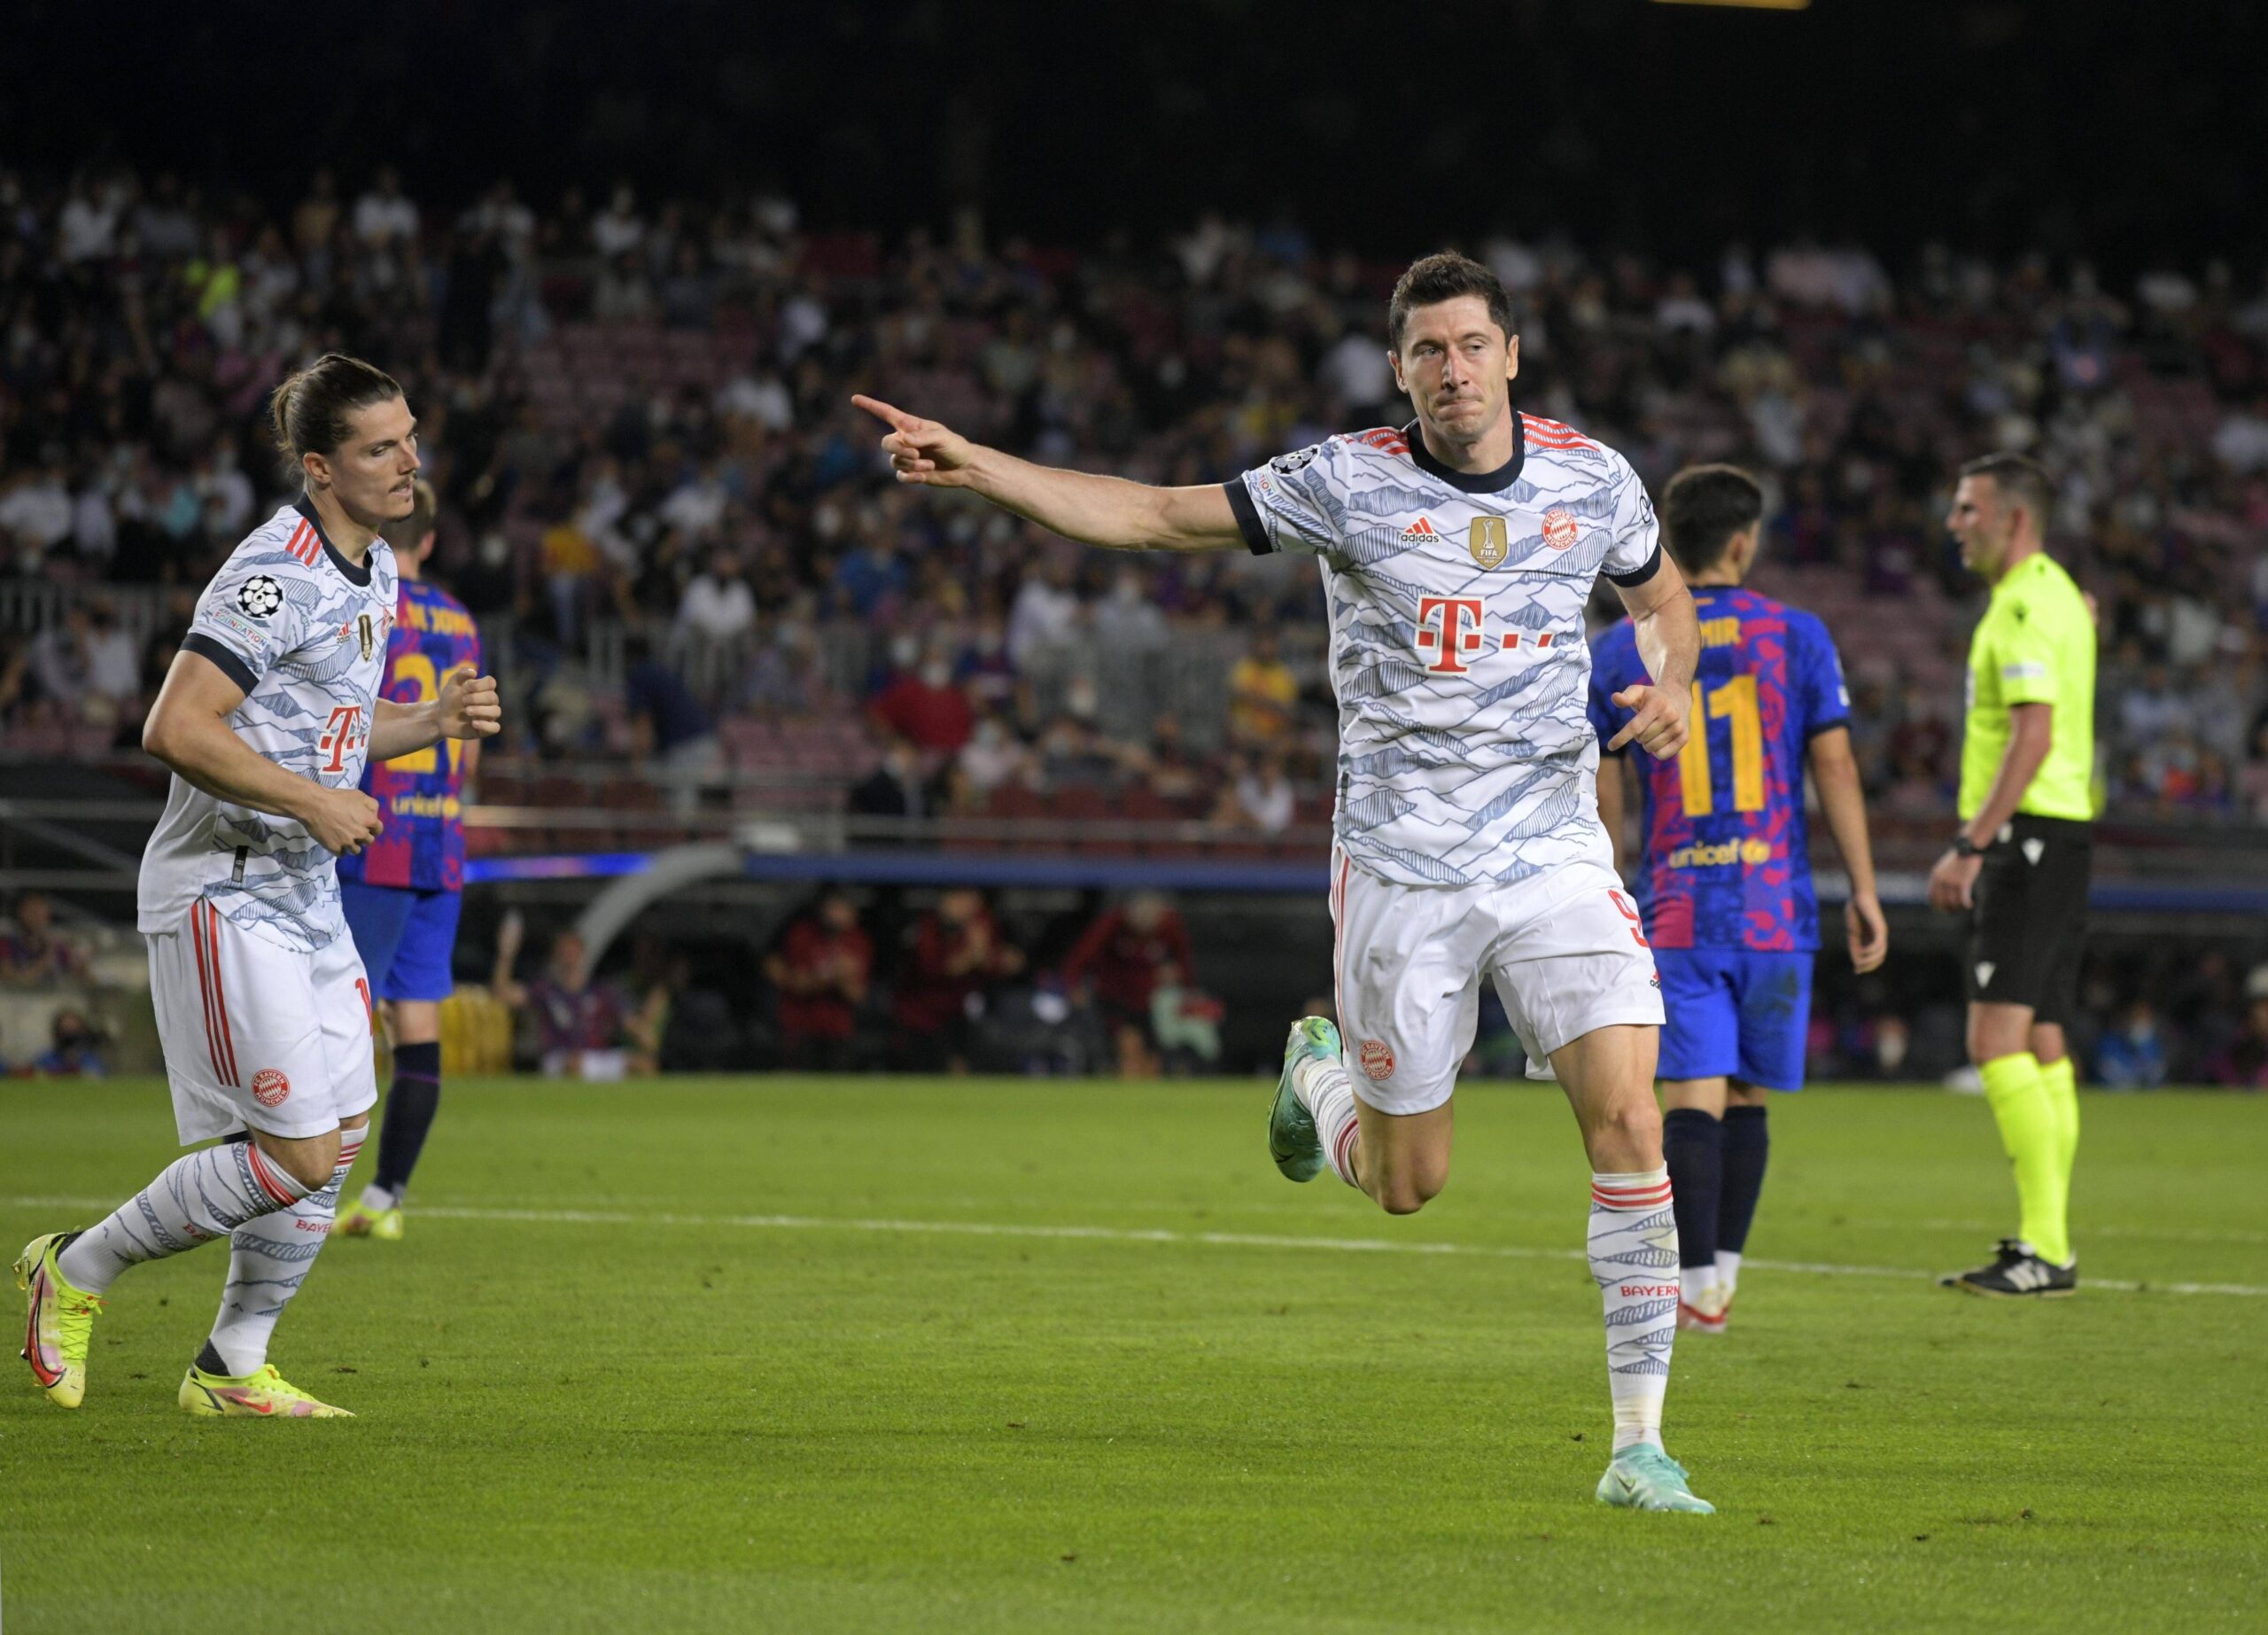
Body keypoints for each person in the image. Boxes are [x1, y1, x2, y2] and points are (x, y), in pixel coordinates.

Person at [855, 250, 1713, 1511]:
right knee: (1410, 1185)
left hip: (1552, 849)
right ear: (1400, 367)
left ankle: (1639, 1445)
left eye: (1472, 344)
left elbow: (1661, 594)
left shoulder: (1595, 478)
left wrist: (1676, 679)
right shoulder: (1345, 481)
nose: (1452, 369)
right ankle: (1317, 1072)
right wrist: (981, 466)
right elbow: (1152, 513)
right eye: (1427, 350)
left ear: (1513, 355)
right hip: (1403, 865)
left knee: (1632, 1117)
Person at [15, 354, 500, 1418]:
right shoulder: (272, 573)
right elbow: (174, 726)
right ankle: (75, 1270)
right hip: (222, 887)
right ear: (321, 467)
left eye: (410, 435)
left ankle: (233, 1364)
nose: (408, 459)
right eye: (380, 446)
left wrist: (429, 722)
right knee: (294, 1153)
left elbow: (326, 724)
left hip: (301, 889)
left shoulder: (372, 570)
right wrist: (312, 804)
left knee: (341, 1134)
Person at [1588, 464, 1887, 1335]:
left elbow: (1605, 785)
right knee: (1750, 1096)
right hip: (1774, 907)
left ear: (1668, 544)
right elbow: (1833, 764)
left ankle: (1687, 1287)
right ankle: (1716, 1282)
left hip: (1680, 900)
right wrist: (1862, 888)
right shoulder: (1796, 635)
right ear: (1743, 541)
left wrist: (1612, 877)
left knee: (1691, 1095)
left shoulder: (1622, 646)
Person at [1929, 453, 2096, 1297]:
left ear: (2013, 519)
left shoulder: (2025, 603)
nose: (1955, 523)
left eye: (1968, 509)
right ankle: (2050, 1243)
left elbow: (2031, 733)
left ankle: (2044, 1246)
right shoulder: (2059, 593)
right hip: (2066, 835)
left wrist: (1971, 841)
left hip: (2028, 839)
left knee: (1993, 1041)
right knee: (2042, 1040)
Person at [333, 479, 484, 1243]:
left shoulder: (368, 603)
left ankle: (305, 1194)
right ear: (431, 540)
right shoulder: (461, 619)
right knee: (415, 1021)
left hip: (372, 831)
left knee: (337, 1018)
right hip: (441, 838)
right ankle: (386, 1198)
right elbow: (469, 742)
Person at [765, 890, 874, 1071]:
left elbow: (858, 995)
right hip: (801, 1024)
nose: (836, 915)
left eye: (842, 909)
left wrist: (842, 979)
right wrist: (831, 977)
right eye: (833, 908)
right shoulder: (803, 934)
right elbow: (798, 983)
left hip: (838, 1028)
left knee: (838, 1089)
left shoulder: (859, 942)